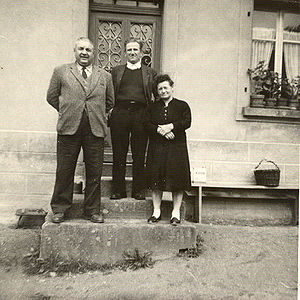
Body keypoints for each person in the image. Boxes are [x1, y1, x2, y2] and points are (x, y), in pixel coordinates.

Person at [47, 37, 114, 223]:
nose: (84, 53)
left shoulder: (105, 76)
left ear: (94, 53)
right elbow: (52, 96)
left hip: (95, 129)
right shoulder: (61, 71)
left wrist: (95, 113)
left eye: (88, 50)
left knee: (94, 171)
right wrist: (69, 110)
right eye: (81, 49)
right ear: (75, 51)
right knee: (64, 170)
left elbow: (110, 101)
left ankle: (92, 210)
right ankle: (60, 209)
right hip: (69, 127)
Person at [109, 38, 157, 200]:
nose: (132, 53)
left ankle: (138, 190)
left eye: (135, 50)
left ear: (141, 52)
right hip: (120, 113)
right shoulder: (115, 71)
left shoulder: (150, 73)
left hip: (141, 114)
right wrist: (110, 110)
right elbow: (108, 93)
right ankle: (118, 190)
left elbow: (156, 97)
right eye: (129, 50)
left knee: (139, 153)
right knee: (119, 153)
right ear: (124, 53)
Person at [144, 74, 191, 226]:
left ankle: (175, 213)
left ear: (171, 88)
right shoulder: (152, 107)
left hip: (176, 148)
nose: (163, 91)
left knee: (177, 179)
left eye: (166, 87)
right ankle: (156, 211)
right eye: (160, 89)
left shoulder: (182, 105)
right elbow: (146, 123)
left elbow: (187, 121)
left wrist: (171, 127)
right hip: (157, 147)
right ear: (157, 92)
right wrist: (160, 130)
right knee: (156, 179)